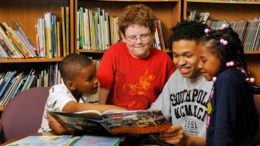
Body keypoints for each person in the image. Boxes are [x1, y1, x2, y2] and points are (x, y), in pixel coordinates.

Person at [97, 4, 175, 110]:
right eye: (133, 37)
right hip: (116, 117)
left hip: (149, 118)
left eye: (144, 36)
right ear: (123, 36)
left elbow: (171, 95)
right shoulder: (113, 53)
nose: (139, 42)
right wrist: (100, 113)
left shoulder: (164, 59)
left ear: (153, 34)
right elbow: (103, 88)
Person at [149, 21, 213, 145]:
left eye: (188, 55)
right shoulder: (176, 76)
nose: (180, 62)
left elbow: (230, 140)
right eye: (176, 55)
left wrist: (189, 141)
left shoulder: (221, 82)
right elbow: (156, 114)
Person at [197, 27, 258, 145]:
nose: (199, 65)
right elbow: (252, 122)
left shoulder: (226, 80)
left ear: (222, 56)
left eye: (203, 60)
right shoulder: (238, 74)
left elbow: (223, 132)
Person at [38, 53, 125, 133]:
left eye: (95, 75)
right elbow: (73, 108)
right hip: (48, 138)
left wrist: (65, 130)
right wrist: (122, 111)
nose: (96, 81)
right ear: (71, 85)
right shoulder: (56, 93)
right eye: (90, 79)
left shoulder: (88, 91)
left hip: (75, 136)